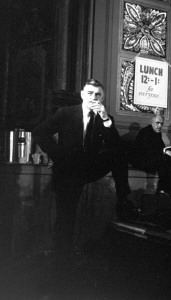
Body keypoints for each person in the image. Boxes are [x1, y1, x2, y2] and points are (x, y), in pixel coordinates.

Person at [33, 79, 135, 260]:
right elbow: (40, 132)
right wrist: (59, 155)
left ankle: (123, 199)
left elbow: (115, 146)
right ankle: (62, 256)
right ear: (82, 94)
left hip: (88, 167)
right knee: (66, 214)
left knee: (119, 153)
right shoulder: (66, 113)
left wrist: (105, 119)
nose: (93, 98)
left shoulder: (104, 118)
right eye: (89, 93)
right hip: (68, 168)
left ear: (102, 97)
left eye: (97, 95)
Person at [128, 114, 171, 195]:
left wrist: (167, 152)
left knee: (168, 160)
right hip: (139, 160)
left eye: (162, 124)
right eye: (157, 123)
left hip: (149, 158)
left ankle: (165, 189)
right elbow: (148, 150)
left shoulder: (157, 132)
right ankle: (163, 189)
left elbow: (161, 147)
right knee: (162, 161)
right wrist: (165, 152)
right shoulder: (145, 132)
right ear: (152, 122)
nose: (159, 126)